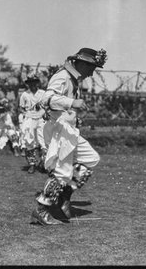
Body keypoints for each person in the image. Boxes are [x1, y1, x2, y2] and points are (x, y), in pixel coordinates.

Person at [31, 47, 108, 225]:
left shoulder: (74, 79)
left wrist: (75, 113)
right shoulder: (63, 76)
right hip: (59, 129)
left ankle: (64, 196)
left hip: (68, 129)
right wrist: (72, 102)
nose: (92, 72)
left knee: (91, 159)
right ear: (80, 63)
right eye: (91, 67)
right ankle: (41, 209)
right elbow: (46, 99)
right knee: (61, 172)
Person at [19, 69, 48, 173]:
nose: (33, 85)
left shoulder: (43, 93)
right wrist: (26, 115)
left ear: (37, 83)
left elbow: (47, 105)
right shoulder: (24, 95)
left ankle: (45, 163)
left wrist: (43, 112)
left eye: (34, 82)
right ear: (28, 84)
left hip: (41, 118)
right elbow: (21, 108)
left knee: (43, 141)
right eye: (30, 83)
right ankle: (32, 164)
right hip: (30, 118)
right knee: (29, 141)